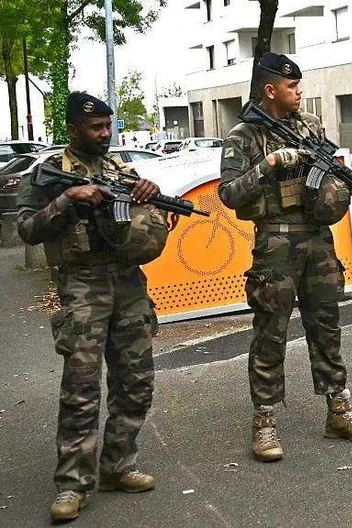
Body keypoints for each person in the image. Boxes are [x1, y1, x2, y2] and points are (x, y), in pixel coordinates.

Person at [218, 53, 352, 463]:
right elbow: (230, 194)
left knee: (327, 329)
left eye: (300, 85)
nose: (299, 92)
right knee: (270, 333)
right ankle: (265, 422)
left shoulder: (310, 126)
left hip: (319, 242)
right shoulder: (244, 136)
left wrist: (351, 185)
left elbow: (328, 171)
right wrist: (270, 164)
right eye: (292, 87)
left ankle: (339, 411)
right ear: (271, 90)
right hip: (276, 244)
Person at [16, 92, 167, 522]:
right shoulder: (49, 173)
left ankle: (118, 465)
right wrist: (67, 201)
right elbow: (27, 229)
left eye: (108, 126)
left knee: (136, 381)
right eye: (96, 128)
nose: (104, 134)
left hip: (129, 284)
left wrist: (147, 192)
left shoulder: (119, 168)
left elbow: (144, 213)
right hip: (82, 286)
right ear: (73, 129)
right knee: (81, 389)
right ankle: (72, 484)